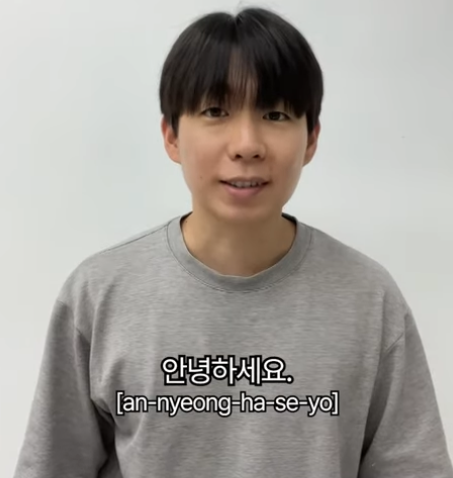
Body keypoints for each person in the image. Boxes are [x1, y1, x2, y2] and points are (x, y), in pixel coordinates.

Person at [14, 6, 453, 478]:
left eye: (275, 113)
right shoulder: (99, 296)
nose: (246, 144)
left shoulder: (369, 300)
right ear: (171, 135)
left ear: (311, 140)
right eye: (216, 111)